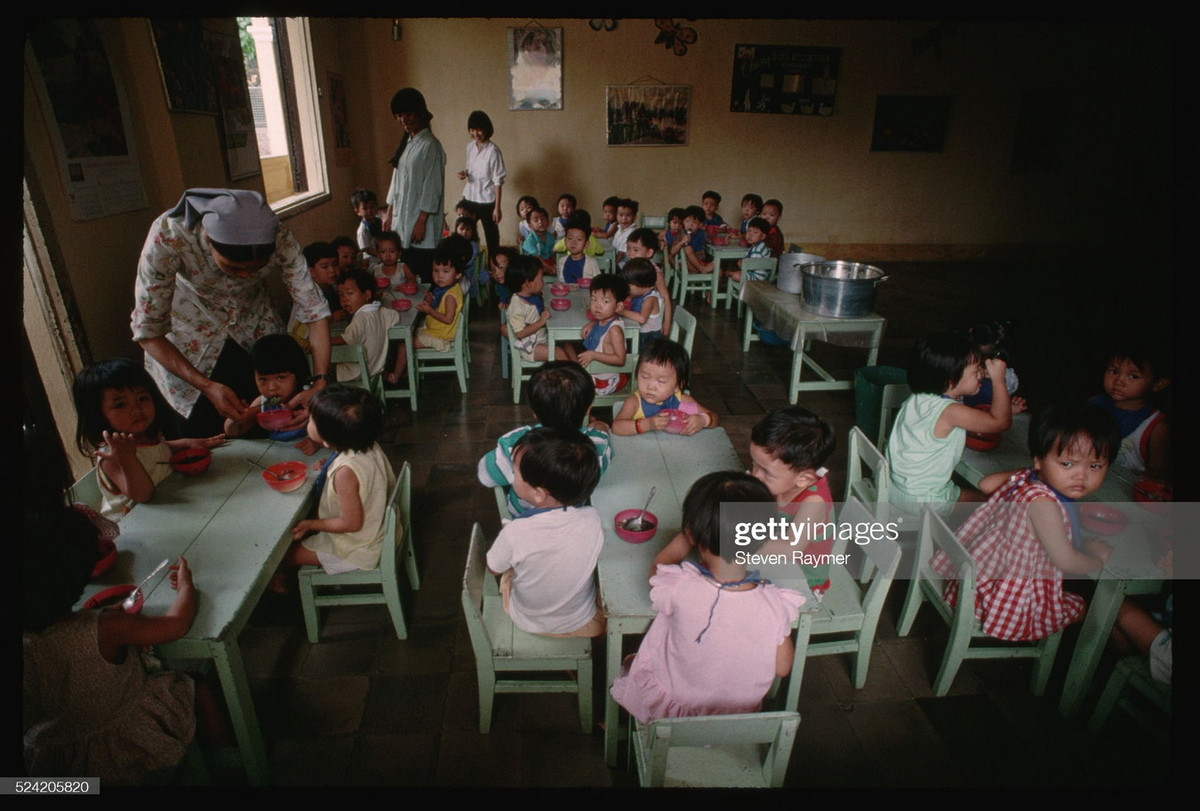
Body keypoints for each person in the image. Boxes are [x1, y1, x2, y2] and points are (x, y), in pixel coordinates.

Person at [131, 188, 332, 438]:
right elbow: (148, 332)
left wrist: (320, 381)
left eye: (256, 270)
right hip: (189, 348)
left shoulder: (279, 236)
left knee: (270, 421)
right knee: (204, 435)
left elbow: (315, 312)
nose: (245, 276)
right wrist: (206, 386)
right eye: (233, 268)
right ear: (208, 240)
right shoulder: (170, 235)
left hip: (255, 336)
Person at [610, 472, 805, 723]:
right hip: (736, 719)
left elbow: (656, 572)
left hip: (672, 712)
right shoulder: (775, 604)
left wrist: (685, 538)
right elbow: (783, 668)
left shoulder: (680, 586)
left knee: (637, 664)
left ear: (693, 535)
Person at [22, 504, 197, 783]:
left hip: (56, 765)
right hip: (124, 752)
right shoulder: (106, 627)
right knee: (198, 685)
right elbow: (178, 624)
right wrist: (187, 587)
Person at [934, 402, 1118, 641]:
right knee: (1085, 607)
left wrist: (1038, 469)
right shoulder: (1043, 504)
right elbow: (1066, 561)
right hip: (1002, 606)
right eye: (1067, 464)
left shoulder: (1028, 477)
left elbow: (986, 484)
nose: (1081, 475)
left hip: (976, 586)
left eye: (1095, 466)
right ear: (1039, 459)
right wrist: (1097, 558)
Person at [887, 331, 1026, 516]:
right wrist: (998, 379)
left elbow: (972, 418)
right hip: (925, 501)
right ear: (952, 380)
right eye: (976, 371)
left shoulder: (918, 398)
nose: (981, 375)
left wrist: (1006, 408)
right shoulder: (950, 411)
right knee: (996, 506)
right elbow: (1001, 423)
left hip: (895, 489)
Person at [485, 427, 605, 637]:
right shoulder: (592, 518)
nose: (512, 478)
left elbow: (493, 568)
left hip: (530, 620)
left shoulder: (515, 532)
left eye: (515, 473)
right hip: (579, 617)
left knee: (508, 575)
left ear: (539, 494)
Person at [73, 358, 224, 521]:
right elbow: (143, 495)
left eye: (142, 398)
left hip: (169, 507)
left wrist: (186, 443)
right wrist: (127, 460)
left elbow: (155, 450)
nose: (137, 409)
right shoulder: (113, 456)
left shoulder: (144, 435)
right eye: (120, 405)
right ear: (97, 414)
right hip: (134, 524)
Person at [277, 386, 396, 585]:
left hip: (358, 548)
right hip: (377, 528)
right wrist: (331, 463)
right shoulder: (366, 444)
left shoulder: (345, 473)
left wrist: (310, 524)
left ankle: (280, 582)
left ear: (327, 437)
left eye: (312, 419)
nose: (308, 421)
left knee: (284, 555)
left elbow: (351, 523)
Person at [478, 360, 613, 517]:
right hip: (571, 521)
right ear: (588, 409)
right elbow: (603, 436)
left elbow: (485, 476)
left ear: (534, 411)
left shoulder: (515, 446)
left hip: (523, 521)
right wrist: (600, 427)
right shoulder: (594, 447)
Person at [749, 405, 838, 594]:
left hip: (802, 581)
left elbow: (791, 550)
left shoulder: (814, 503)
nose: (755, 475)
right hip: (774, 559)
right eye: (754, 464)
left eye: (765, 472)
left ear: (803, 479)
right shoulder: (782, 481)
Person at [384, 88, 445, 284]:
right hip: (402, 221)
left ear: (420, 113)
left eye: (408, 114)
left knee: (422, 276)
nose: (403, 119)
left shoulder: (431, 145)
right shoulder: (408, 143)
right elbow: (396, 181)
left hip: (421, 225)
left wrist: (421, 221)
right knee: (407, 273)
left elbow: (432, 187)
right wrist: (389, 212)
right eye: (399, 115)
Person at [1088, 344, 1171, 480]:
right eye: (1114, 371)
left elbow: (1156, 471)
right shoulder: (1093, 404)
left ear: (1158, 384)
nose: (1119, 381)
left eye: (1133, 376)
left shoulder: (1156, 426)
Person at [388, 238, 465, 383]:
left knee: (404, 344)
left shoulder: (450, 296)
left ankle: (395, 376)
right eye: (436, 270)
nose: (439, 275)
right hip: (436, 330)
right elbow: (440, 307)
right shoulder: (446, 288)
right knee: (407, 335)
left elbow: (448, 319)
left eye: (445, 271)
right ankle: (406, 368)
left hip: (441, 336)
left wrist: (429, 310)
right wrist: (431, 301)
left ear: (458, 274)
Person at [613, 338, 717, 436]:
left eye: (661, 381)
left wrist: (703, 420)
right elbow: (616, 427)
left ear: (678, 385)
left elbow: (714, 418)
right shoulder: (634, 402)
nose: (651, 386)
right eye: (645, 377)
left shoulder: (681, 399)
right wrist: (647, 425)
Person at [224, 334, 315, 445]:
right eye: (263, 379)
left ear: (298, 373)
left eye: (281, 378)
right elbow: (232, 432)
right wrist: (238, 418)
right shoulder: (262, 402)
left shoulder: (309, 397)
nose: (271, 388)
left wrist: (316, 443)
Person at [333, 269, 402, 385]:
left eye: (350, 293)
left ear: (367, 295)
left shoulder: (360, 319)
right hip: (374, 370)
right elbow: (395, 315)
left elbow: (345, 340)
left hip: (354, 374)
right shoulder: (382, 312)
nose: (344, 299)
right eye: (341, 295)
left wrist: (321, 343)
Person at [564, 273, 629, 396]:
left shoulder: (615, 330)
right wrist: (593, 323)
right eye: (594, 299)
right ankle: (578, 372)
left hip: (606, 381)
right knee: (567, 345)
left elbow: (620, 359)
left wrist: (593, 355)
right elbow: (602, 322)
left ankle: (578, 376)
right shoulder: (604, 319)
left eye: (605, 301)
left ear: (618, 306)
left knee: (568, 384)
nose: (597, 305)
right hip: (598, 373)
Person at [457, 110, 506, 259]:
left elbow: (498, 180)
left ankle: (493, 265)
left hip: (486, 200)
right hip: (469, 196)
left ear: (486, 129)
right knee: (465, 232)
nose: (476, 133)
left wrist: (497, 207)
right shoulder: (470, 147)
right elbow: (471, 168)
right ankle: (466, 261)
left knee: (492, 237)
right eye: (472, 129)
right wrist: (465, 173)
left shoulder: (493, 151)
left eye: (479, 129)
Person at [501, 255, 567, 365]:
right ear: (529, 284)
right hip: (530, 346)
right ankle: (570, 374)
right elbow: (520, 334)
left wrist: (543, 311)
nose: (543, 281)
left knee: (567, 344)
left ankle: (579, 372)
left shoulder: (533, 296)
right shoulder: (517, 305)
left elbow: (534, 313)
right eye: (541, 278)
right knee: (558, 352)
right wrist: (541, 321)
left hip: (541, 338)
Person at [289, 241, 343, 352]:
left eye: (335, 264)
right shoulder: (309, 294)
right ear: (311, 271)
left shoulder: (335, 288)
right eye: (325, 267)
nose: (332, 271)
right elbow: (308, 322)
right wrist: (332, 317)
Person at [626, 226, 673, 335]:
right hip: (635, 316)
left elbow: (666, 297)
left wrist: (667, 323)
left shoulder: (654, 272)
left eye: (636, 250)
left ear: (649, 253)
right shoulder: (630, 267)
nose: (630, 253)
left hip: (649, 326)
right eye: (628, 249)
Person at [620, 258, 664, 350]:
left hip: (649, 337)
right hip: (638, 332)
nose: (625, 287)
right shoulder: (637, 294)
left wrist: (622, 311)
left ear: (641, 285)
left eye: (628, 285)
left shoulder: (650, 299)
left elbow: (642, 319)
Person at [727, 216, 773, 282]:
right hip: (761, 275)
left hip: (757, 278)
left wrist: (742, 265)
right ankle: (734, 273)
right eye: (749, 231)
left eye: (755, 232)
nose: (750, 235)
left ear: (763, 236)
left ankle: (733, 274)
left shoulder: (757, 250)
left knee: (736, 275)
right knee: (737, 272)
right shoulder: (760, 246)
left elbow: (752, 266)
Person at [557, 217, 600, 284]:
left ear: (586, 244)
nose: (573, 243)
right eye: (570, 238)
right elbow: (561, 282)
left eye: (579, 239)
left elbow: (598, 284)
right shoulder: (561, 261)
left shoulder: (592, 263)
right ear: (565, 241)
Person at [521, 205, 557, 276]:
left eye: (543, 219)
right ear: (530, 226)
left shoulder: (550, 237)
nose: (540, 222)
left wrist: (555, 264)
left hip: (546, 261)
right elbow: (537, 258)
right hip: (534, 262)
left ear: (548, 221)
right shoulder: (530, 240)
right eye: (536, 220)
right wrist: (549, 268)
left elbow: (552, 254)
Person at [680, 205, 713, 275]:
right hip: (686, 263)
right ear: (683, 222)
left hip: (700, 260)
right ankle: (702, 269)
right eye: (687, 221)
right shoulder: (682, 233)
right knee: (688, 248)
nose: (690, 225)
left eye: (694, 222)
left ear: (700, 224)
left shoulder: (700, 233)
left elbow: (709, 239)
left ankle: (704, 271)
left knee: (719, 270)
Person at [454, 215, 483, 292]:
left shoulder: (473, 245)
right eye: (461, 229)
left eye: (468, 229)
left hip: (468, 274)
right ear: (456, 229)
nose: (464, 232)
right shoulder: (454, 243)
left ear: (472, 232)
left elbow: (469, 262)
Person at [351, 188, 381, 257]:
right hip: (371, 259)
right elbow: (366, 249)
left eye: (372, 207)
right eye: (365, 208)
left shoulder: (379, 221)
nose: (369, 210)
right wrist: (380, 255)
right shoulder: (362, 230)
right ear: (358, 211)